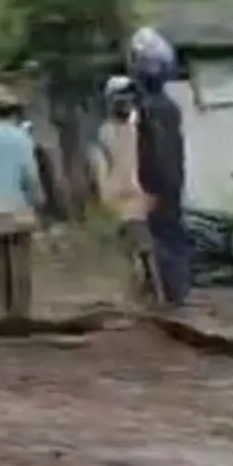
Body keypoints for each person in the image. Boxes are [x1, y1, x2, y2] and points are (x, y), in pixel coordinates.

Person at [127, 28, 190, 309]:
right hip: (170, 182)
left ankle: (171, 296)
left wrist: (153, 187)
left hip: (161, 185)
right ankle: (171, 293)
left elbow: (159, 153)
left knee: (164, 239)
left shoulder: (152, 109)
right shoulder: (165, 107)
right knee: (169, 237)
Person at [0, 83, 44, 322]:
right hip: (19, 204)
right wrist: (38, 199)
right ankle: (21, 312)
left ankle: (4, 310)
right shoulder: (21, 137)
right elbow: (30, 175)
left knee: (1, 256)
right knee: (21, 257)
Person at [91, 75, 158, 305]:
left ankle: (148, 296)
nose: (125, 102)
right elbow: (100, 167)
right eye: (120, 98)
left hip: (142, 196)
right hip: (120, 200)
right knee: (134, 253)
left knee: (147, 251)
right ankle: (137, 299)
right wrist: (106, 197)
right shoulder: (105, 132)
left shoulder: (139, 127)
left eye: (128, 97)